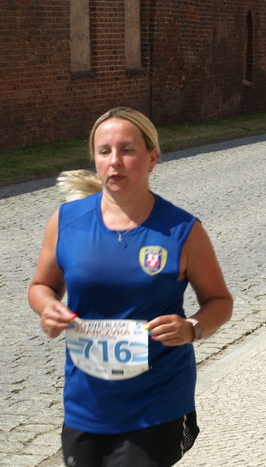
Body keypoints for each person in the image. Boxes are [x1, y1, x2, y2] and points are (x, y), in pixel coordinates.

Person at [29, 107, 233, 467]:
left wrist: (193, 329)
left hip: (156, 401)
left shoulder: (182, 230)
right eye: (105, 151)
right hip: (86, 401)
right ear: (94, 160)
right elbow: (41, 286)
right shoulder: (66, 221)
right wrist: (47, 307)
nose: (115, 161)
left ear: (153, 157)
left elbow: (219, 301)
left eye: (127, 150)